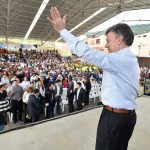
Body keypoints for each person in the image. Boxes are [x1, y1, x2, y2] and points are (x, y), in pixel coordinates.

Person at [47, 7, 140, 150]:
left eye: (109, 40)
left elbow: (86, 53)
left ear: (120, 39)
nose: (106, 45)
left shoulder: (120, 59)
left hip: (115, 118)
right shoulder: (129, 59)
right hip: (122, 117)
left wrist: (62, 31)